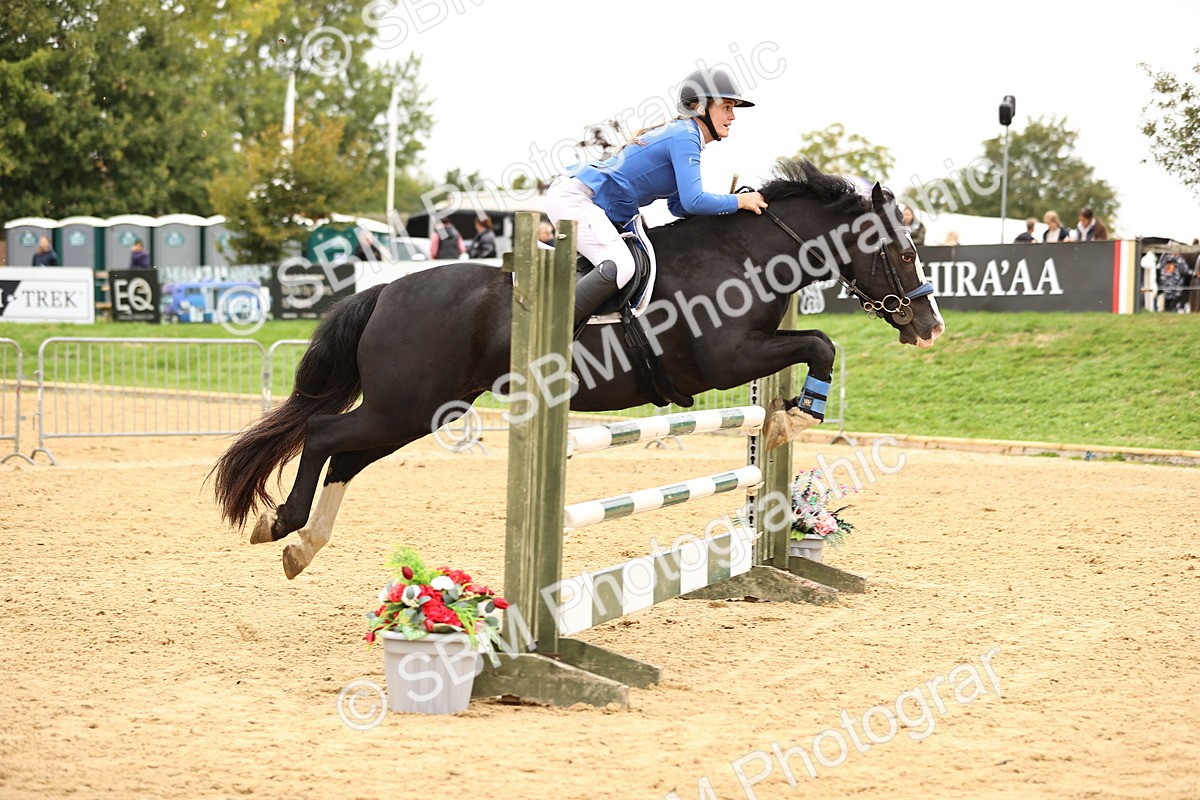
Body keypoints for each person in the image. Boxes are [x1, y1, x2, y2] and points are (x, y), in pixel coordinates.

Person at [546, 66, 769, 325]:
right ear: (699, 107)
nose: (732, 117)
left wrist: (729, 209)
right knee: (622, 265)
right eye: (727, 107)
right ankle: (553, 329)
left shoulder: (685, 136)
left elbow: (679, 207)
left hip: (585, 201)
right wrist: (740, 201)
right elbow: (693, 200)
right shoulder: (685, 136)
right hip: (576, 199)